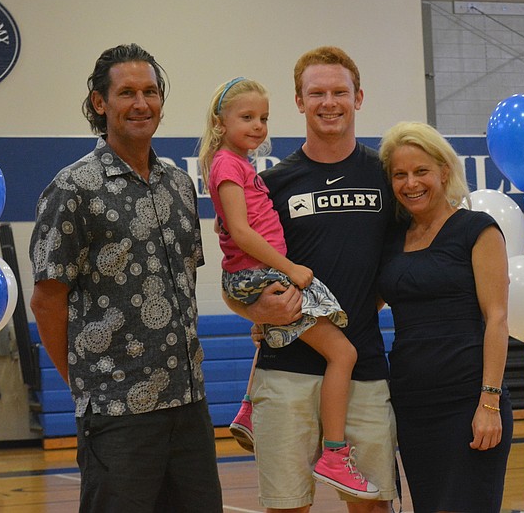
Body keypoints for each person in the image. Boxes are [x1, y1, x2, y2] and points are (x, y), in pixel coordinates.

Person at [28, 43, 223, 513]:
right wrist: (85, 385)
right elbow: (46, 300)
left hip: (189, 405)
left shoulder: (179, 185)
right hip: (117, 413)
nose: (142, 104)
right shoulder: (73, 188)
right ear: (101, 103)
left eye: (151, 92)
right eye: (127, 92)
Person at [224, 46, 398, 513]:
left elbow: (399, 269)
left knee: (371, 505)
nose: (329, 102)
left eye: (339, 91)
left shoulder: (385, 176)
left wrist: (366, 303)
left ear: (358, 97)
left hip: (362, 365)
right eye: (316, 93)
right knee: (286, 507)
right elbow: (235, 275)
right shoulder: (272, 183)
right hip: (285, 371)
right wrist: (255, 310)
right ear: (299, 102)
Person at [377, 121, 513, 512]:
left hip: (469, 402)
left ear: (444, 172)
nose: (411, 183)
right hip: (413, 405)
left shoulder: (477, 229)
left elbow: (498, 319)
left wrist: (488, 402)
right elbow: (363, 305)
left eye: (421, 171)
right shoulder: (393, 240)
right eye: (399, 174)